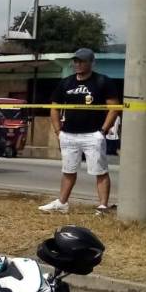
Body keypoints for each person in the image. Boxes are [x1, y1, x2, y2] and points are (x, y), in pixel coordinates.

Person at [39, 48, 120, 214]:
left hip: (93, 135)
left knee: (100, 171)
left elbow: (114, 107)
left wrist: (103, 130)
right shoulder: (66, 82)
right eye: (76, 61)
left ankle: (103, 206)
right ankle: (62, 203)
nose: (78, 64)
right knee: (68, 170)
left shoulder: (102, 81)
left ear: (91, 63)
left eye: (82, 61)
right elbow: (54, 108)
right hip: (68, 134)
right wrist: (58, 131)